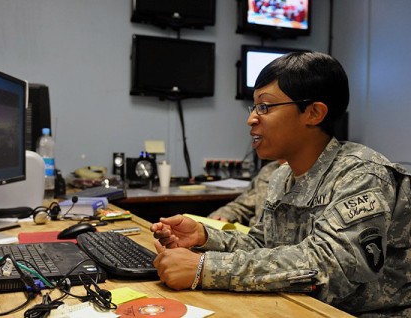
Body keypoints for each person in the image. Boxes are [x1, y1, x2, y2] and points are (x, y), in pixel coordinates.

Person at [151, 51, 411, 317]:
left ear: (313, 113)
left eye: (265, 107)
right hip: (296, 308)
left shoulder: (362, 174)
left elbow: (330, 268)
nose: (251, 118)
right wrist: (205, 237)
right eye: (253, 107)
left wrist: (205, 268)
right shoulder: (281, 176)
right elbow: (264, 247)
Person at [207, 160, 282, 227]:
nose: (253, 144)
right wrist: (221, 216)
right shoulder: (269, 170)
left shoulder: (292, 175)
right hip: (254, 238)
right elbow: (242, 205)